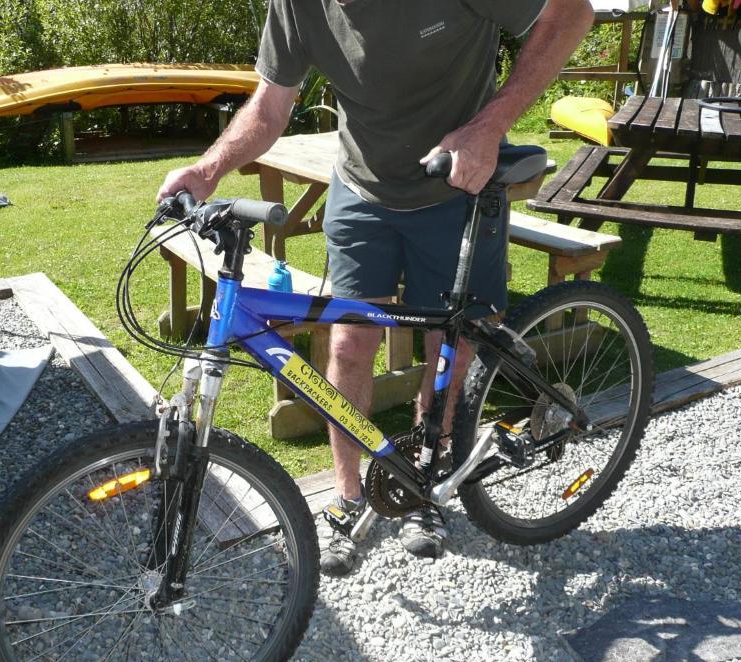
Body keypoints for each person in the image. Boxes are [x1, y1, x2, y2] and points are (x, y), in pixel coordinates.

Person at [158, 0, 594, 575]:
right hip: (362, 190)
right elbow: (268, 106)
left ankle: (423, 489)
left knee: (452, 346)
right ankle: (348, 498)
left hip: (457, 188)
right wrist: (206, 171)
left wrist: (490, 125)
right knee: (347, 343)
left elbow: (571, 13)